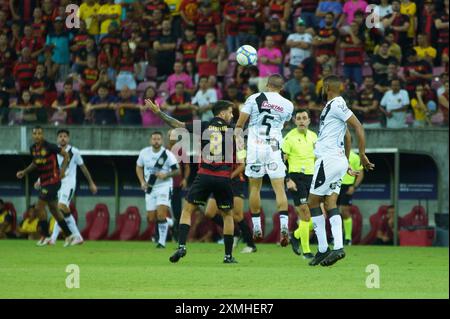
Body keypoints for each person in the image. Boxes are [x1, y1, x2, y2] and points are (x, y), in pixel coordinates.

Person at [146, 99, 238, 264]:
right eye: (230, 112)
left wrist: (158, 113)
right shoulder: (233, 129)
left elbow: (177, 125)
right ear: (222, 113)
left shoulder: (203, 126)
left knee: (187, 210)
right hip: (224, 177)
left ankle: (181, 246)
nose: (232, 116)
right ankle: (228, 256)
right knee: (227, 215)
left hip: (204, 175)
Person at [307, 75, 374, 267]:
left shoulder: (336, 104)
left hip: (327, 160)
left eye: (321, 85)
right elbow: (347, 136)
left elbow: (358, 128)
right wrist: (345, 161)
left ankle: (327, 248)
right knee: (330, 202)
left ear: (327, 86)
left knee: (312, 201)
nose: (320, 88)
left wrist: (361, 155)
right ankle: (332, 248)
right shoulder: (332, 108)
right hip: (337, 160)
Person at [235, 74, 294, 246]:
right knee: (279, 188)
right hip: (274, 146)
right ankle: (284, 226)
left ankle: (256, 226)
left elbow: (239, 126)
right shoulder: (288, 105)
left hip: (255, 146)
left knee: (255, 187)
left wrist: (241, 152)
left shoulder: (254, 98)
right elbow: (282, 124)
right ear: (282, 88)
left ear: (267, 85)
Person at [16, 126, 75, 246]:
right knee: (54, 209)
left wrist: (62, 172)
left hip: (53, 181)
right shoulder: (32, 148)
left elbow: (66, 155)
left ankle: (45, 236)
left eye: (39, 133)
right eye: (35, 133)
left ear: (43, 135)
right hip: (44, 181)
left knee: (38, 207)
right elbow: (35, 162)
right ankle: (70, 235)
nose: (37, 135)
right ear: (32, 136)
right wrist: (24, 171)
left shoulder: (50, 146)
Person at [36, 129, 97, 246]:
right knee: (59, 210)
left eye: (65, 136)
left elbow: (83, 167)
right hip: (56, 184)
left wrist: (91, 183)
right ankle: (76, 237)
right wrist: (39, 180)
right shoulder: (52, 152)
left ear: (68, 139)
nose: (63, 138)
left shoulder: (74, 152)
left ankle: (53, 238)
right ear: (57, 138)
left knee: (60, 207)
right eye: (60, 136)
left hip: (69, 183)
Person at [282, 109, 316, 259]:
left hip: (312, 177)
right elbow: (280, 161)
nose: (301, 121)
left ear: (309, 121)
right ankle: (306, 251)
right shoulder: (289, 138)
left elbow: (319, 158)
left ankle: (295, 236)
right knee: (305, 214)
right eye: (299, 118)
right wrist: (287, 179)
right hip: (296, 178)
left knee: (318, 216)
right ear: (295, 121)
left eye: (304, 118)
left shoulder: (314, 136)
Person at [136, 131, 180, 248]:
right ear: (151, 140)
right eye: (154, 139)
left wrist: (166, 175)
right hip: (150, 187)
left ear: (162, 141)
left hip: (164, 187)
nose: (156, 141)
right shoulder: (144, 153)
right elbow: (139, 167)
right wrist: (142, 181)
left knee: (161, 215)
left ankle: (161, 242)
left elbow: (177, 170)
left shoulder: (167, 155)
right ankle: (171, 222)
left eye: (158, 139)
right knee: (151, 218)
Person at [338, 150, 364, 246]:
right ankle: (336, 237)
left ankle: (348, 238)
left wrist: (354, 186)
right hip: (335, 185)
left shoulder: (355, 156)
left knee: (345, 211)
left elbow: (360, 174)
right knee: (333, 212)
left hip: (347, 186)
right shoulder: (335, 153)